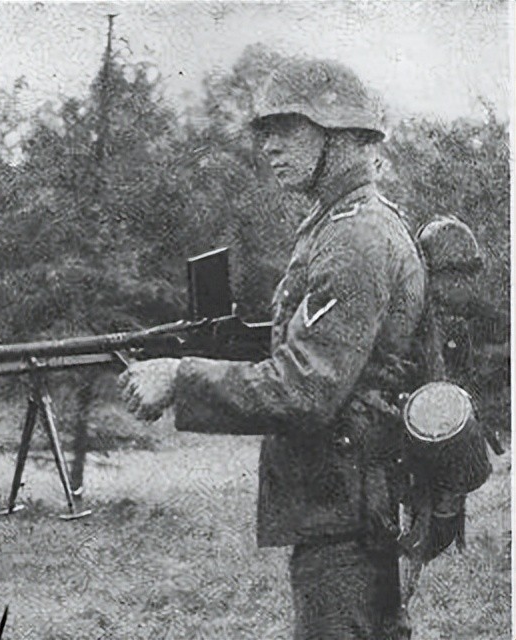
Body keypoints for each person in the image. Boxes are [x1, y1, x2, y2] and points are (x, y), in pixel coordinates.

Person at [120, 57, 432, 639]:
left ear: (339, 135)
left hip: (347, 517)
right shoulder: (338, 223)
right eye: (264, 132)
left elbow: (306, 389)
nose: (268, 147)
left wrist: (181, 377)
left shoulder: (353, 237)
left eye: (286, 130)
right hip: (349, 506)